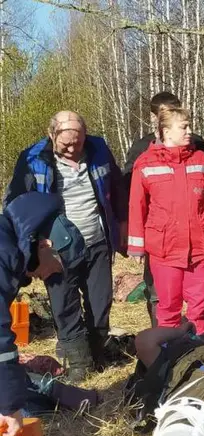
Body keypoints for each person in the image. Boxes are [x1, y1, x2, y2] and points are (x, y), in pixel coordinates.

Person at [3, 111, 128, 381]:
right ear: (52, 135)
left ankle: (97, 352)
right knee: (64, 305)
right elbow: (16, 205)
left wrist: (124, 224)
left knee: (100, 301)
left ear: (85, 135)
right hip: (55, 248)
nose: (72, 149)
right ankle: (79, 364)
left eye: (78, 143)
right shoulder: (33, 159)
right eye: (66, 144)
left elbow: (116, 188)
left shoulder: (100, 149)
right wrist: (35, 245)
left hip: (97, 240)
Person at [123, 91, 204, 329]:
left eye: (189, 127)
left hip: (201, 245)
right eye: (183, 127)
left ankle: (199, 352)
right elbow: (136, 206)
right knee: (167, 306)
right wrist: (135, 245)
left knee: (200, 305)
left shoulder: (203, 160)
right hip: (165, 248)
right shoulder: (144, 162)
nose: (188, 132)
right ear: (166, 130)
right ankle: (169, 358)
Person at [0, 192, 84, 436]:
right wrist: (10, 406)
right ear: (45, 245)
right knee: (23, 412)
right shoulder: (3, 256)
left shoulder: (8, 244)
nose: (50, 275)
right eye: (57, 267)